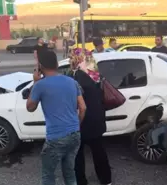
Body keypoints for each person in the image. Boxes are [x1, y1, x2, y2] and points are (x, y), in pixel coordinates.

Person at [26, 50, 86, 185]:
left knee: (48, 175)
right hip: (75, 135)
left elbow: (30, 107)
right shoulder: (72, 81)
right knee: (70, 173)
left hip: (55, 138)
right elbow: (83, 108)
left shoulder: (40, 85)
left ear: (40, 66)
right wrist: (77, 125)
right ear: (57, 64)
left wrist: (35, 82)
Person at [67, 48, 112, 185]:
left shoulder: (75, 77)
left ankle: (81, 181)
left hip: (82, 119)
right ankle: (106, 180)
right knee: (99, 151)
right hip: (97, 120)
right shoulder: (95, 75)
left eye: (71, 58)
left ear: (76, 59)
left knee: (78, 155)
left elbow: (75, 102)